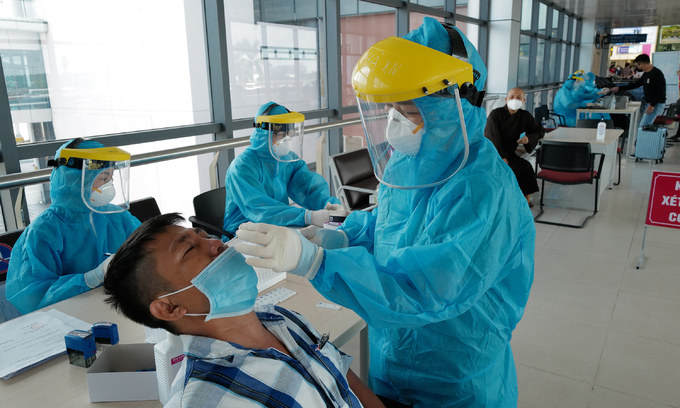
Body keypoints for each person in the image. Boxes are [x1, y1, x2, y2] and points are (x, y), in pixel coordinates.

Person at [234, 18, 535, 407]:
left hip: (455, 373)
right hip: (394, 356)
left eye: (408, 111)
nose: (395, 121)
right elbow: (387, 223)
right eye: (393, 108)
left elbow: (424, 290)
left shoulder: (482, 188)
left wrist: (316, 262)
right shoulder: (411, 164)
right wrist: (339, 236)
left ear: (454, 106)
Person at [102, 213, 383, 408]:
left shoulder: (283, 318)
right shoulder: (205, 399)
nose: (216, 243)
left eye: (204, 236)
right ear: (169, 307)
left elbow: (345, 382)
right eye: (189, 250)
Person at [6, 138, 141, 314]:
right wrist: (90, 278)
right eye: (103, 178)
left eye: (111, 178)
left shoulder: (118, 217)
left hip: (119, 307)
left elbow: (147, 250)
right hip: (71, 318)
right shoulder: (44, 231)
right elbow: (33, 298)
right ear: (74, 179)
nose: (109, 186)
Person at [222, 102, 344, 236]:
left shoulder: (288, 159)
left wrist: (333, 207)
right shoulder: (242, 167)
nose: (286, 139)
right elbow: (260, 210)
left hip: (280, 226)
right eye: (280, 135)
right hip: (244, 233)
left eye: (289, 134)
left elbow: (310, 189)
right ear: (263, 133)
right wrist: (308, 217)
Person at [485, 87, 545, 207]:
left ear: (523, 100)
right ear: (506, 99)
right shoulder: (495, 114)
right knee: (503, 171)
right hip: (493, 154)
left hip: (510, 154)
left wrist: (529, 138)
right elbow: (492, 138)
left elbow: (539, 130)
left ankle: (524, 201)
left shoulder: (525, 116)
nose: (514, 99)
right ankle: (502, 201)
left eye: (518, 97)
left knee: (525, 167)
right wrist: (501, 157)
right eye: (512, 97)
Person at [611, 54, 666, 128]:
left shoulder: (657, 73)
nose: (637, 68)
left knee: (643, 126)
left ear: (642, 64)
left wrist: (652, 105)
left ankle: (643, 139)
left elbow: (661, 91)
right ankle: (638, 139)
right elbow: (636, 84)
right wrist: (619, 88)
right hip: (648, 102)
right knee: (639, 125)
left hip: (655, 104)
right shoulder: (646, 74)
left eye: (637, 65)